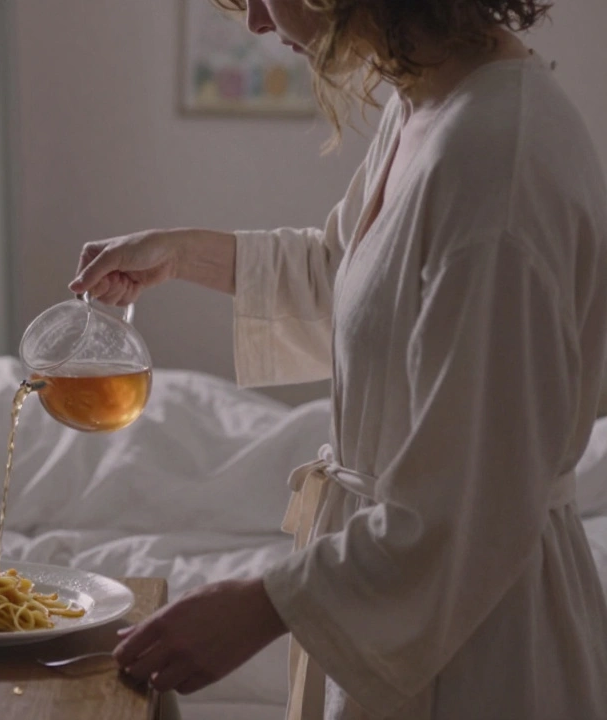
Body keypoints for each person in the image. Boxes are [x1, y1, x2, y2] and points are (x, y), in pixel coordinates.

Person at [69, 0, 607, 717]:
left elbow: (474, 504)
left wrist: (261, 606)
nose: (257, 22)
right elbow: (355, 280)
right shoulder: (434, 99)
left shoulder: (496, 160)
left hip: (481, 645)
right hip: (416, 595)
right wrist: (180, 252)